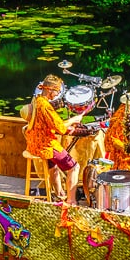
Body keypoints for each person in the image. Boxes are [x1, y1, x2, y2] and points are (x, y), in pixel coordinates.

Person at [24, 74, 84, 204]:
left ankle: (59, 194)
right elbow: (60, 128)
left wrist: (66, 126)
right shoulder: (45, 106)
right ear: (50, 89)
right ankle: (71, 201)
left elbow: (50, 124)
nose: (57, 94)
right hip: (45, 145)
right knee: (74, 167)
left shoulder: (37, 100)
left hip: (34, 143)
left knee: (54, 166)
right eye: (57, 91)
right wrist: (75, 119)